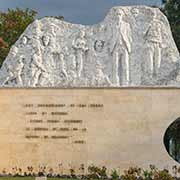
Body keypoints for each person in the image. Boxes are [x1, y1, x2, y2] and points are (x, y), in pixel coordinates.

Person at [109, 9, 132, 86]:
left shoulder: (126, 25)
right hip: (115, 47)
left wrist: (129, 45)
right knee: (115, 65)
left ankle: (126, 82)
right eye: (117, 14)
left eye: (119, 14)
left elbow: (129, 36)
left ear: (122, 16)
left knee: (125, 65)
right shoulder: (112, 25)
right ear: (115, 16)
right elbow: (109, 36)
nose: (118, 16)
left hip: (124, 46)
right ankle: (115, 82)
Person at [144, 10, 162, 77]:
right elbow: (142, 34)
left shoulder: (159, 24)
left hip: (157, 43)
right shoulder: (146, 23)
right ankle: (149, 75)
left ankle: (157, 75)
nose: (152, 16)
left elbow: (161, 34)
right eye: (151, 14)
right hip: (150, 42)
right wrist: (148, 26)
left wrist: (160, 43)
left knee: (158, 60)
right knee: (149, 60)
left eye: (153, 14)